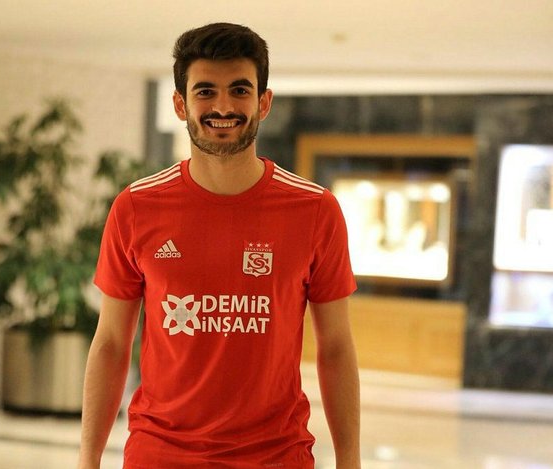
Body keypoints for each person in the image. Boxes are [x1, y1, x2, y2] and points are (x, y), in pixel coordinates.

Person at [78, 22, 360, 469]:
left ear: (264, 102)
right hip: (159, 456)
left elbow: (337, 347)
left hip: (276, 457)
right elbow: (111, 343)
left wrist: (350, 460)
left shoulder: (315, 210)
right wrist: (87, 461)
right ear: (180, 104)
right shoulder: (136, 207)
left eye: (240, 90)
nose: (223, 107)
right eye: (205, 91)